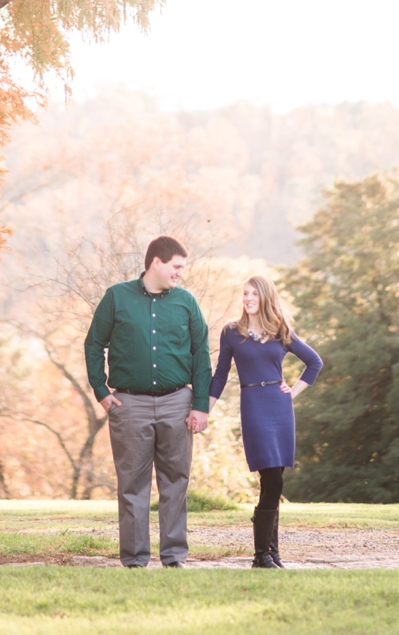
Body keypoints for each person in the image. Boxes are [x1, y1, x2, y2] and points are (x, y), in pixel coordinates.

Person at [84, 235, 211, 568]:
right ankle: (135, 560)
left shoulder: (186, 302)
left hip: (177, 404)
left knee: (175, 484)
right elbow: (94, 344)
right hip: (129, 406)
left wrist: (200, 404)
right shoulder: (117, 297)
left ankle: (173, 558)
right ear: (157, 262)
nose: (181, 273)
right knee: (132, 486)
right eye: (177, 266)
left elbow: (201, 354)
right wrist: (101, 392)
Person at [207, 275, 323, 568]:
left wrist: (292, 393)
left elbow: (315, 362)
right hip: (254, 406)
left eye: (254, 294)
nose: (248, 299)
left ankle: (271, 553)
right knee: (270, 478)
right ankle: (262, 554)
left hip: (279, 407)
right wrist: (205, 410)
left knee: (276, 480)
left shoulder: (280, 330)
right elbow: (220, 374)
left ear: (265, 297)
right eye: (245, 293)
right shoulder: (232, 332)